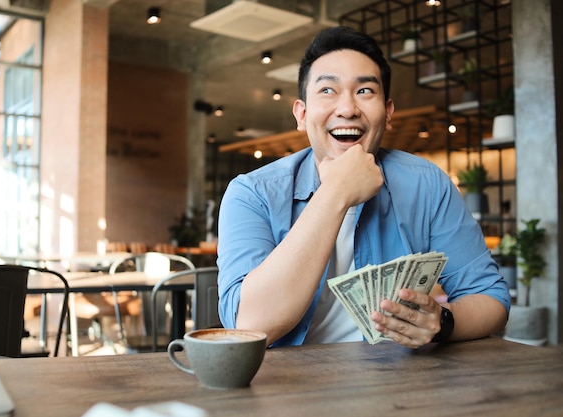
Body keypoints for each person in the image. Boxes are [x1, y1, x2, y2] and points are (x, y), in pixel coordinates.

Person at [216, 26, 510, 349]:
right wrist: (336, 193)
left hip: (400, 386)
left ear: (388, 112)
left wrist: (443, 323)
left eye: (365, 91)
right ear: (301, 115)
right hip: (288, 389)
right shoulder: (252, 193)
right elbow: (250, 323)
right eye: (327, 90)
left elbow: (491, 300)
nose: (347, 109)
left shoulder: (426, 183)